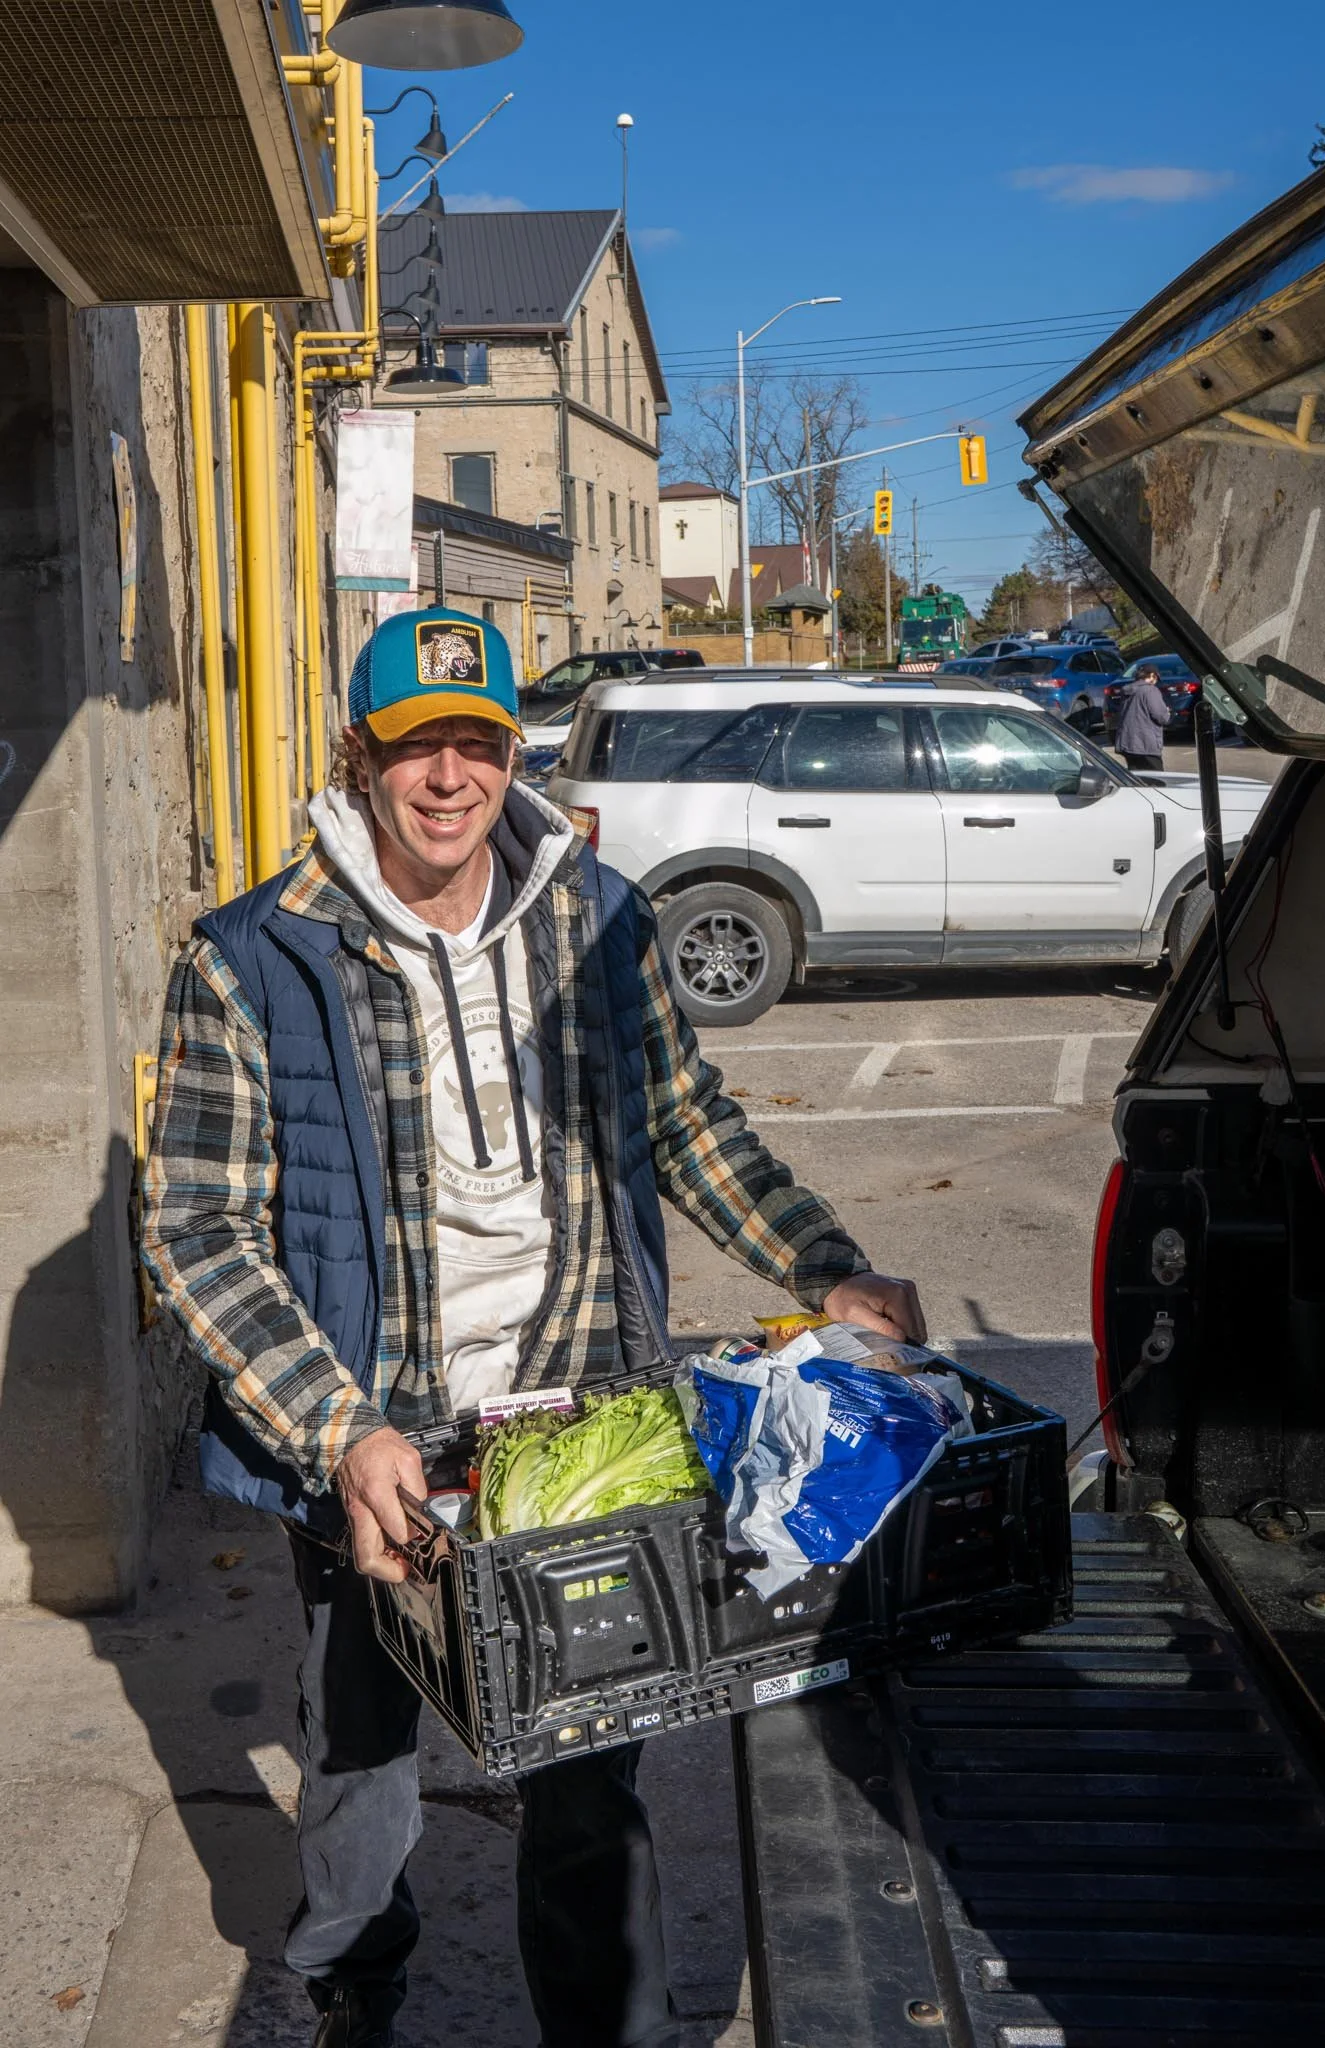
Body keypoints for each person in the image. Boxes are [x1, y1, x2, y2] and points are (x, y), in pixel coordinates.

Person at [142, 605, 924, 2048]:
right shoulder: (252, 959)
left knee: (587, 1762)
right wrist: (339, 1427)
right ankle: (355, 1972)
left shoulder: (598, 917)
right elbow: (198, 1230)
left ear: (515, 751)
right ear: (357, 759)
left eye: (479, 743)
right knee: (361, 1751)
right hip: (370, 1431)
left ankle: (605, 2028)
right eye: (414, 746)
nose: (450, 778)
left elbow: (690, 1128)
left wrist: (827, 1269)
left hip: (574, 1419)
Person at [1114, 661, 1171, 771]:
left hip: (1127, 743)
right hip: (1145, 744)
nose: (1155, 682)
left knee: (1137, 779)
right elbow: (1161, 716)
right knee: (1157, 781)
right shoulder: (1150, 690)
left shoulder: (1127, 691)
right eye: (1156, 678)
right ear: (1152, 675)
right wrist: (1166, 712)